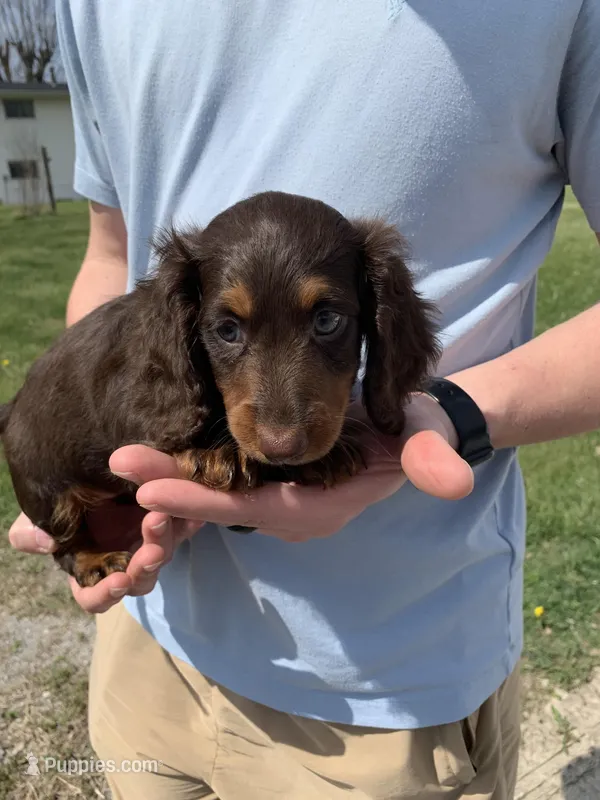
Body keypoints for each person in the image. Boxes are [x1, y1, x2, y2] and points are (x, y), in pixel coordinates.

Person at [9, 1, 600, 798]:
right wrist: (92, 482)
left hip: (385, 692)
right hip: (147, 650)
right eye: (230, 333)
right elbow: (110, 253)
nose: (281, 425)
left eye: (329, 320)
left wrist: (452, 412)